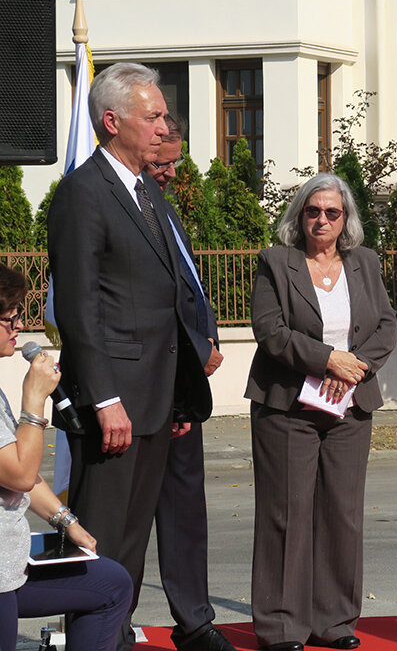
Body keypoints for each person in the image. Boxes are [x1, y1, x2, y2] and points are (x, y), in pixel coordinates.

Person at [46, 63, 218, 651]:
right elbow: (78, 308)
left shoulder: (146, 190)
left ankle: (115, 638)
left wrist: (179, 386)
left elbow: (170, 293)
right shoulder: (82, 194)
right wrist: (105, 398)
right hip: (114, 403)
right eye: (153, 116)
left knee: (134, 542)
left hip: (156, 399)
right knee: (104, 540)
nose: (163, 125)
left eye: (163, 114)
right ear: (113, 121)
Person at [246, 174, 397, 651]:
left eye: (333, 212)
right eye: (314, 211)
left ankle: (334, 623)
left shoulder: (365, 263)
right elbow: (270, 331)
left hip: (349, 407)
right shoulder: (276, 262)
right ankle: (282, 627)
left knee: (342, 515)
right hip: (287, 404)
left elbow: (387, 325)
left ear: (346, 218)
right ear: (300, 215)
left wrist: (354, 368)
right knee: (287, 515)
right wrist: (325, 359)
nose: (323, 220)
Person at [0, 264, 133, 651]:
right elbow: (22, 474)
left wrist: (66, 521)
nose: (20, 327)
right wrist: (34, 400)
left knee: (111, 583)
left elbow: (14, 474)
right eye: (10, 318)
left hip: (12, 563)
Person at [145, 115, 235, 651]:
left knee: (185, 518)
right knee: (128, 524)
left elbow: (189, 295)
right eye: (163, 163)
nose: (172, 173)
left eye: (176, 162)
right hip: (144, 396)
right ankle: (112, 620)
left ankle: (195, 622)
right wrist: (195, 356)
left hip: (182, 396)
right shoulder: (115, 207)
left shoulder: (165, 209)